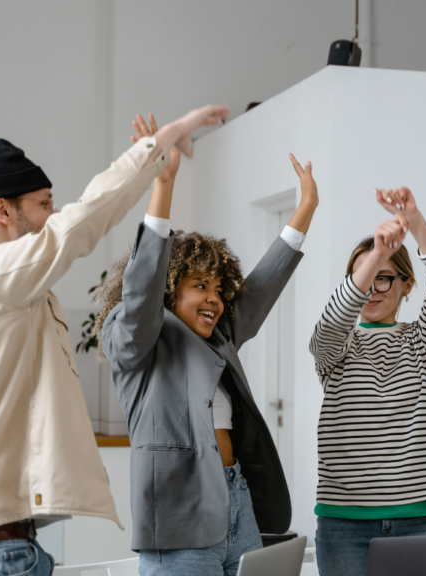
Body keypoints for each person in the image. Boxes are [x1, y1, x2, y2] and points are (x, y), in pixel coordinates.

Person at [0, 105, 229, 576]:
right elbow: (78, 225)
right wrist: (161, 144)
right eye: (43, 203)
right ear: (1, 210)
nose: (53, 214)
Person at [94, 114, 318, 576]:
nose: (214, 298)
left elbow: (259, 290)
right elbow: (141, 294)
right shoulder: (135, 338)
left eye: (219, 288)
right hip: (179, 524)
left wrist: (305, 211)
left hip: (238, 505)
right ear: (170, 287)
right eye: (200, 285)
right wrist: (163, 187)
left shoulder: (218, 335)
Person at [309, 187, 426, 576]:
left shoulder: (422, 342)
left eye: (385, 279)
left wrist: (414, 222)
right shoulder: (337, 348)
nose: (371, 292)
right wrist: (378, 253)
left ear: (407, 284)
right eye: (364, 281)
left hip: (422, 520)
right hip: (344, 523)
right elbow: (329, 327)